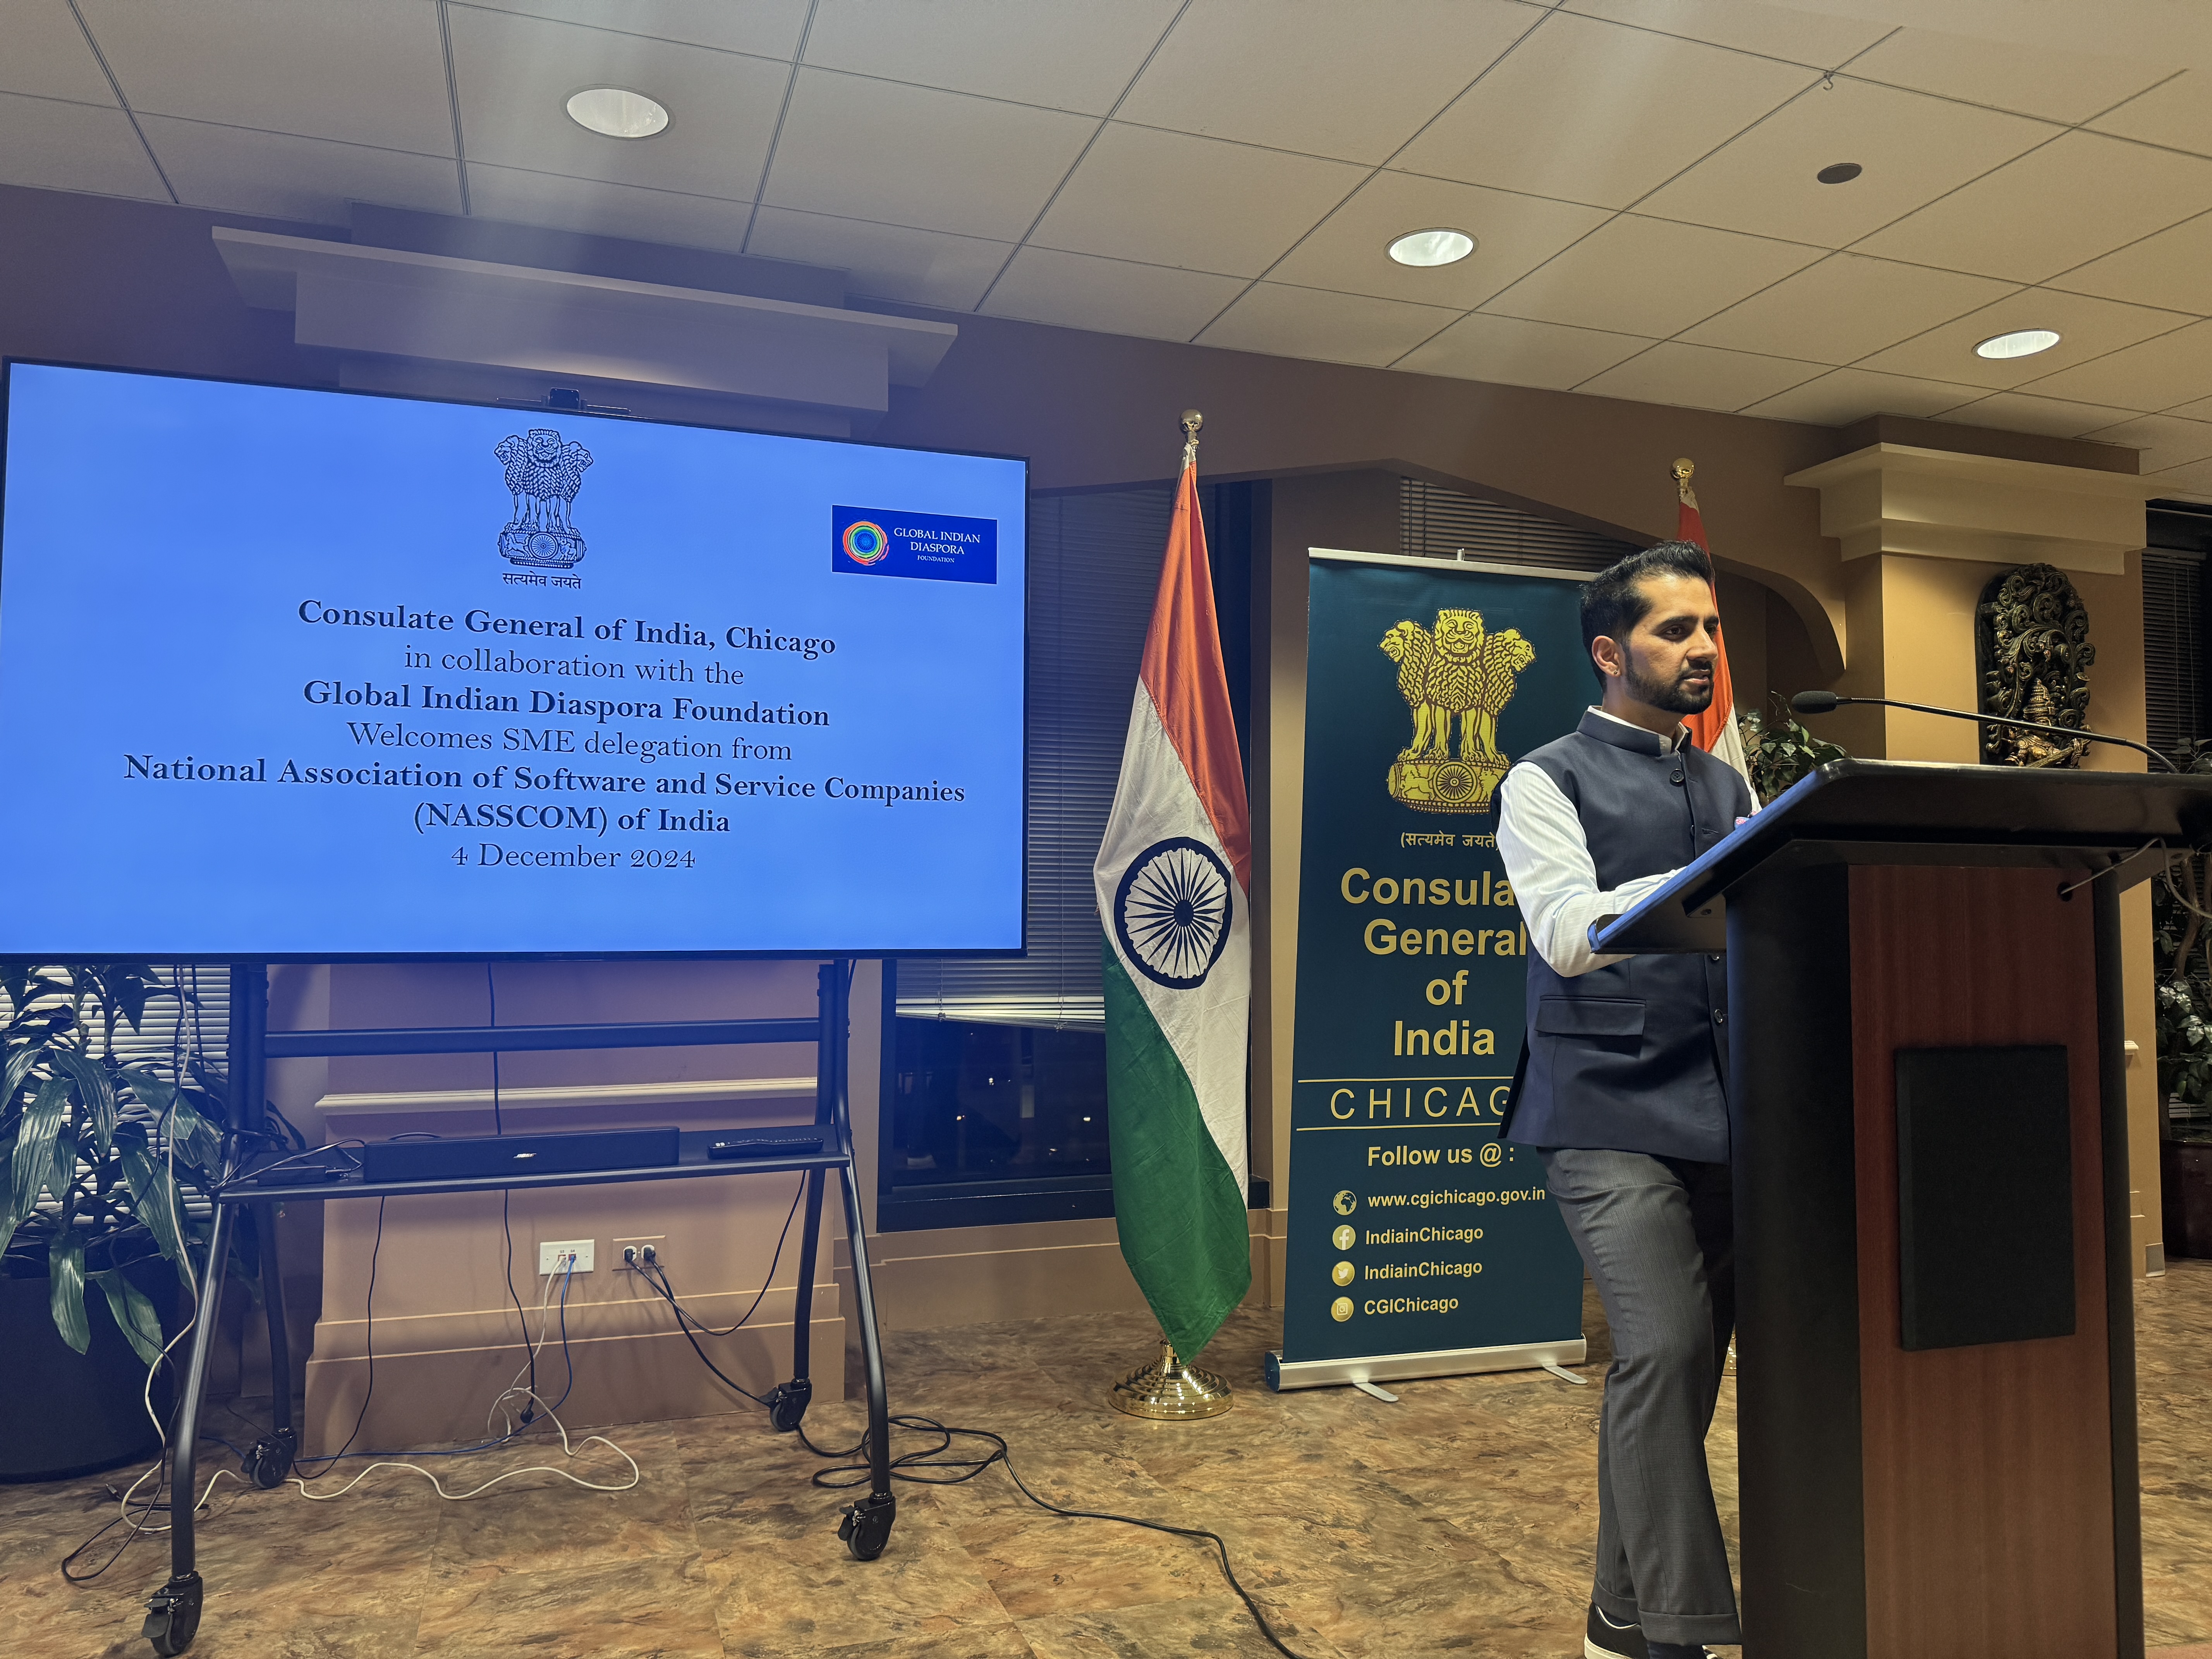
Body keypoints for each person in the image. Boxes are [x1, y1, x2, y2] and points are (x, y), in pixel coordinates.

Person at [1494, 541, 1753, 1659]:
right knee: (1664, 1348)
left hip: (1728, 1109)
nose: (1703, 648)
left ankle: (1616, 1611)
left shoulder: (1733, 785)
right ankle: (1680, 1634)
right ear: (1610, 652)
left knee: (1686, 1371)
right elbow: (1565, 931)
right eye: (1674, 630)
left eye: (1710, 629)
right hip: (1602, 1110)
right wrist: (1716, 875)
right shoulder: (1543, 779)